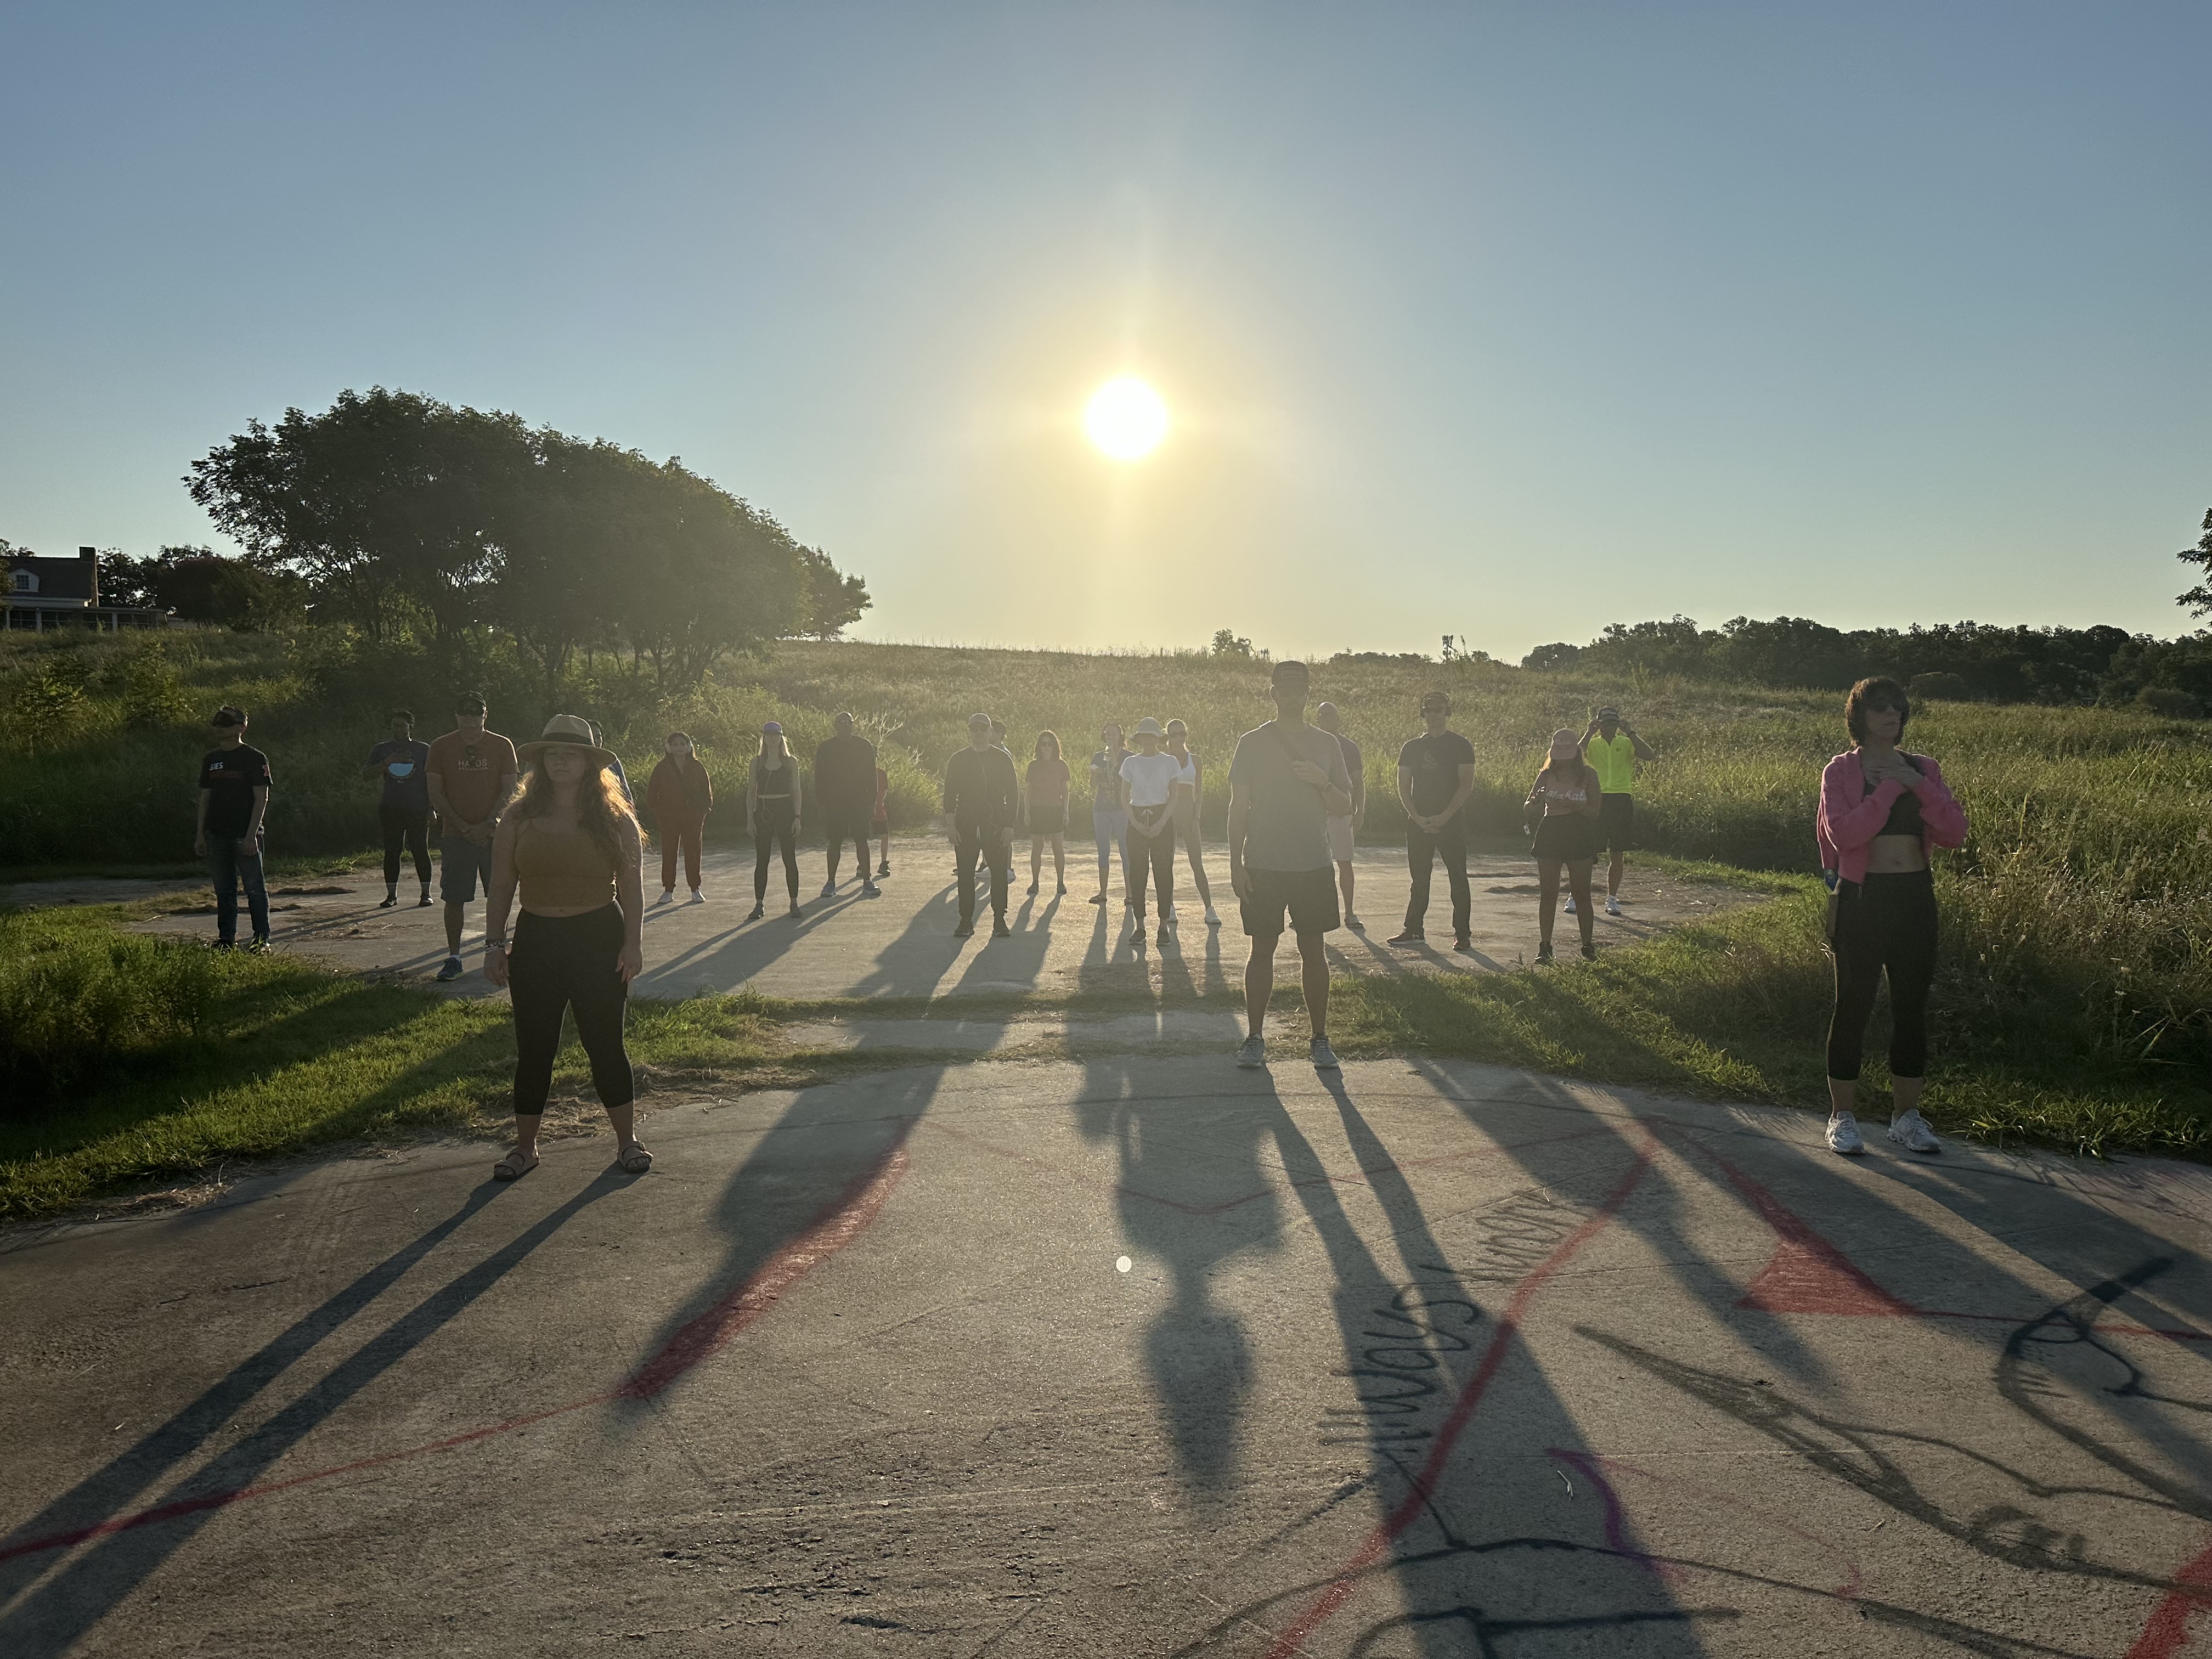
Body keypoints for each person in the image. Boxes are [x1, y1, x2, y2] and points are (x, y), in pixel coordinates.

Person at [482, 715, 650, 1181]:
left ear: (589, 764)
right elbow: (500, 885)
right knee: (534, 1047)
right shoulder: (517, 817)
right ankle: (525, 1148)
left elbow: (633, 889)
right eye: (552, 752)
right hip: (537, 940)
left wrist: (633, 944)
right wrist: (495, 945)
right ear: (540, 761)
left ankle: (627, 1141)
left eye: (571, 753)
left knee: (605, 1044)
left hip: (599, 938)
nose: (560, 759)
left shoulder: (616, 819)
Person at [1816, 677, 1968, 1158]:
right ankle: (1842, 1117)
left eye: (1899, 709)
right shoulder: (1841, 772)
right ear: (1860, 716)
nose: (1893, 715)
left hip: (1914, 898)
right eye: (1882, 708)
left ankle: (1906, 1119)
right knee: (1853, 1005)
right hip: (1864, 897)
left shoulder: (1923, 768)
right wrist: (1885, 794)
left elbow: (1954, 832)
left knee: (1911, 1008)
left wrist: (1918, 785)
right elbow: (1845, 837)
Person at [1228, 660, 1354, 1070]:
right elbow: (1237, 807)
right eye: (1285, 690)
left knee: (1313, 951)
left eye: (1299, 690)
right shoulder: (1252, 743)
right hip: (1263, 862)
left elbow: (1343, 805)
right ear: (1273, 694)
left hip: (1312, 864)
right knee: (1261, 950)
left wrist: (1322, 781)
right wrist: (1235, 863)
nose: (1292, 696)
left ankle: (1319, 1039)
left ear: (1307, 693)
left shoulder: (1327, 744)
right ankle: (1255, 1038)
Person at [426, 693, 519, 983]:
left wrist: (490, 824)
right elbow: (435, 793)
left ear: (485, 715)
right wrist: (464, 827)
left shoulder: (502, 745)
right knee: (454, 897)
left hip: (496, 836)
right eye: (464, 712)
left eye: (475, 713)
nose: (469, 718)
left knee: (500, 894)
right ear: (456, 716)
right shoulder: (440, 747)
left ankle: (500, 953)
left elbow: (510, 789)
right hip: (456, 836)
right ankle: (454, 957)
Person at [1389, 691, 1477, 952]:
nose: (1434, 714)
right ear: (1423, 714)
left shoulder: (1461, 745)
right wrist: (1417, 818)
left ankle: (1462, 934)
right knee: (1419, 878)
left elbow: (1466, 786)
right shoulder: (1412, 748)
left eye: (1439, 709)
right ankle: (1414, 929)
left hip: (1451, 820)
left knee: (1458, 877)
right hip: (1418, 822)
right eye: (1429, 710)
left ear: (1447, 712)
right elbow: (1404, 788)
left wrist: (1444, 816)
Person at [195, 704, 271, 951]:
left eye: (225, 724)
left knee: (255, 890)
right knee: (224, 891)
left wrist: (251, 836)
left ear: (242, 727)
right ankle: (226, 939)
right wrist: (200, 835)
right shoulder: (211, 759)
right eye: (217, 723)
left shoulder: (254, 758)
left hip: (245, 835)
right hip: (216, 835)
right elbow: (205, 799)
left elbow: (262, 798)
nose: (219, 728)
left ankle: (261, 940)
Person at [1526, 729, 1602, 964]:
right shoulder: (1546, 774)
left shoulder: (1589, 775)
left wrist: (1573, 805)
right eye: (1559, 750)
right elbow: (1528, 806)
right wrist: (1535, 801)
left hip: (1579, 831)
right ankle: (1545, 946)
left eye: (1568, 750)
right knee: (1548, 893)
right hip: (1551, 831)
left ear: (1576, 752)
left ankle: (1588, 946)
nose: (1564, 755)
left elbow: (1595, 812)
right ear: (1554, 752)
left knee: (1582, 893)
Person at [1577, 706, 1657, 917]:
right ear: (1599, 724)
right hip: (1598, 797)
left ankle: (1612, 899)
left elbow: (1649, 755)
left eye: (1614, 723)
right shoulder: (1593, 744)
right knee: (1586, 850)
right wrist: (1589, 732)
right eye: (1606, 723)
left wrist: (1630, 732)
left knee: (1618, 851)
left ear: (1618, 724)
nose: (1610, 727)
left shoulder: (1626, 742)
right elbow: (1574, 757)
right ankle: (1575, 895)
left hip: (1621, 798)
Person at [944, 712, 1020, 937]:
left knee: (998, 873)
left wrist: (1009, 826)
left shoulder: (1002, 759)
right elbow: (949, 796)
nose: (978, 733)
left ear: (990, 732)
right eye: (974, 729)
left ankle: (999, 921)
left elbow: (1014, 795)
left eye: (982, 729)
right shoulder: (958, 759)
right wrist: (951, 825)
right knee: (966, 873)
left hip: (995, 823)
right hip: (965, 823)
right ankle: (966, 921)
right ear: (969, 731)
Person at [1121, 718, 1183, 948]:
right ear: (1140, 740)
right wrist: (1135, 823)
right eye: (1144, 737)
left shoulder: (1169, 762)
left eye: (1152, 736)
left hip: (1162, 818)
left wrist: (1161, 823)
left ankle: (1163, 926)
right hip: (1137, 817)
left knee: (1163, 872)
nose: (1148, 740)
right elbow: (1124, 797)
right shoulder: (1130, 763)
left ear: (1158, 739)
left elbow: (1174, 796)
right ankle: (1140, 926)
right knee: (1138, 872)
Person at [362, 709, 432, 910]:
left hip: (417, 808)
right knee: (392, 851)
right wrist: (387, 762)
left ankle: (426, 894)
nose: (398, 729)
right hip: (391, 807)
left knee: (420, 850)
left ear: (411, 726)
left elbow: (432, 780)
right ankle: (391, 895)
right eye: (394, 725)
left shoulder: (423, 749)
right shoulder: (382, 749)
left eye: (402, 725)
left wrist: (431, 808)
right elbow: (366, 775)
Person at [815, 712, 881, 898]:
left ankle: (867, 881)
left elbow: (872, 775)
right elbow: (819, 777)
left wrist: (872, 802)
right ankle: (830, 883)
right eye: (841, 722)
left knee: (862, 840)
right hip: (834, 803)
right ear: (835, 725)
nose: (845, 725)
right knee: (834, 842)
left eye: (848, 722)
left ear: (853, 725)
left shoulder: (864, 745)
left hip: (859, 802)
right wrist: (821, 805)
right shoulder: (826, 748)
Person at [1163, 719, 1221, 926]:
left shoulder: (1195, 760)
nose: (1178, 738)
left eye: (1182, 734)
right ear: (1167, 737)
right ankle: (1169, 907)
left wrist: (1197, 816)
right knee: (1167, 862)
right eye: (1174, 734)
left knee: (1196, 860)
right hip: (1169, 811)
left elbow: (1199, 790)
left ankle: (1209, 909)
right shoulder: (1164, 759)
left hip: (1188, 810)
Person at [1313, 701, 1366, 930]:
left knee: (1344, 862)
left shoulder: (1349, 747)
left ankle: (1350, 912)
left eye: (1330, 716)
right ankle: (1311, 910)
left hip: (1341, 811)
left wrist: (1360, 809)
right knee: (1314, 863)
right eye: (1322, 716)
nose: (1327, 720)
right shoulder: (1311, 744)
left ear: (1338, 719)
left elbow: (1358, 782)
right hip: (1314, 812)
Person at [645, 731, 714, 905]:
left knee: (693, 852)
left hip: (693, 817)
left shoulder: (697, 767)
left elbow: (707, 792)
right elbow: (652, 793)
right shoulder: (662, 768)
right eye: (675, 744)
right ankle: (668, 890)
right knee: (669, 852)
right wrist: (660, 811)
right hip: (669, 817)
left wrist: (702, 812)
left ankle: (695, 889)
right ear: (669, 747)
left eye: (682, 744)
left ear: (689, 747)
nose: (679, 748)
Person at [746, 721, 805, 920]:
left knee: (790, 858)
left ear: (781, 738)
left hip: (785, 810)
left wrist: (797, 817)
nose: (772, 738)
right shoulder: (757, 762)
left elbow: (797, 791)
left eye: (776, 735)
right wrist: (750, 820)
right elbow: (751, 792)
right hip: (763, 812)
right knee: (762, 859)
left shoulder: (791, 762)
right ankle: (759, 904)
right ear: (764, 737)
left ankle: (794, 903)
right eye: (769, 735)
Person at [1088, 721, 1132, 906]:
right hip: (1102, 809)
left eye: (1114, 734)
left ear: (1121, 736)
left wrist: (1115, 761)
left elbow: (1129, 782)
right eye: (1108, 734)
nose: (1111, 738)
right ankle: (1103, 892)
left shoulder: (1129, 758)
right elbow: (1092, 785)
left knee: (1126, 850)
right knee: (1103, 851)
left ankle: (1130, 894)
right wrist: (1096, 773)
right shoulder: (1099, 756)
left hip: (1121, 809)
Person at [1024, 730, 1071, 897]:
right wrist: (1026, 812)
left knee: (1058, 847)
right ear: (1039, 747)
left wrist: (1066, 811)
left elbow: (1065, 791)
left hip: (1055, 809)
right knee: (1037, 847)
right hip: (1037, 809)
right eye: (1043, 744)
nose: (1046, 747)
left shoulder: (1061, 765)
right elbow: (1029, 791)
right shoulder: (1033, 766)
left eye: (1049, 744)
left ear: (1054, 746)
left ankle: (1060, 883)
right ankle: (1035, 882)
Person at [872, 763, 892, 878]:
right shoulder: (860, 772)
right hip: (865, 807)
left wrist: (876, 803)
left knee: (885, 834)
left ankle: (883, 863)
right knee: (862, 837)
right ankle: (861, 866)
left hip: (878, 807)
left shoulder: (881, 773)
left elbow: (883, 792)